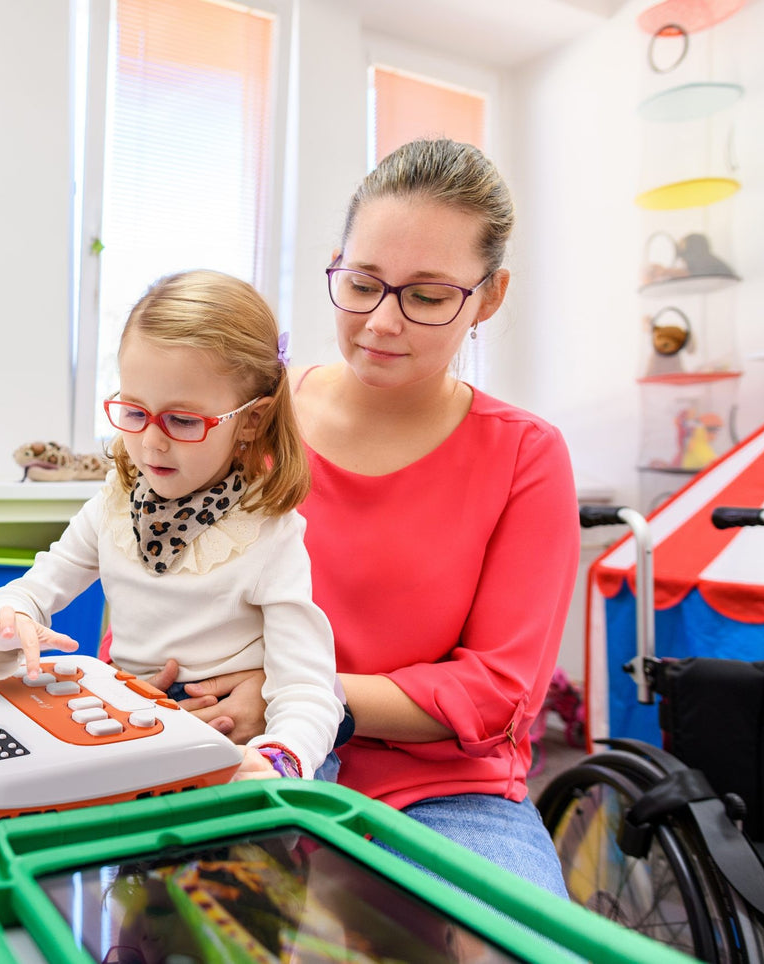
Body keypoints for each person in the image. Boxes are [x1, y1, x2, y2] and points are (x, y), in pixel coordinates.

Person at [150, 139, 579, 896]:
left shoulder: (524, 456)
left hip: (435, 796)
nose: (382, 322)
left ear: (489, 295)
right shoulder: (251, 418)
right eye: (363, 282)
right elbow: (155, 591)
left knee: (508, 940)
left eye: (426, 295)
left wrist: (298, 693)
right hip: (232, 753)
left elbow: (495, 690)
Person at [0, 270, 346, 781]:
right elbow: (38, 586)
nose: (152, 443)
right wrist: (9, 618)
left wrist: (279, 758)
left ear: (251, 420)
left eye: (183, 421)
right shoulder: (113, 506)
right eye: (135, 412)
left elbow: (308, 687)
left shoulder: (269, 533)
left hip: (244, 740)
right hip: (133, 720)